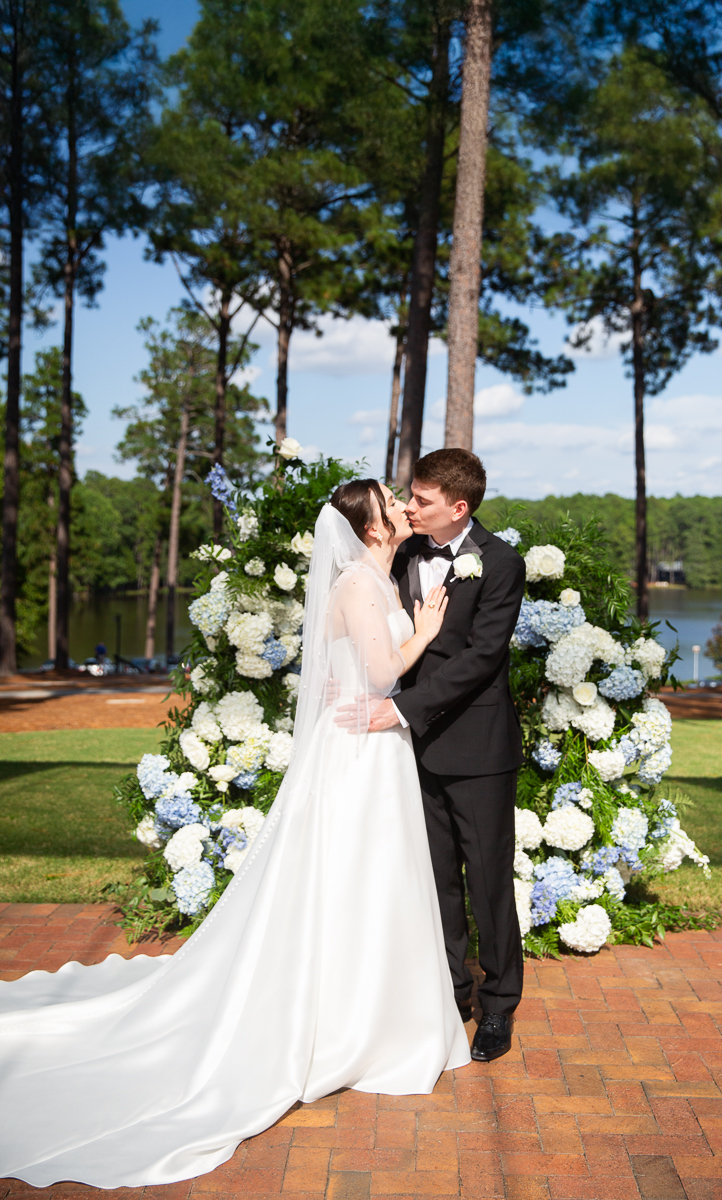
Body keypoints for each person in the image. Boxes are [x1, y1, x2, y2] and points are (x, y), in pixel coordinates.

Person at [0, 481, 470, 1190]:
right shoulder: (354, 585)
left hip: (375, 747)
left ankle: (379, 1013)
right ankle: (349, 1023)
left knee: (377, 882)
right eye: (389, 499)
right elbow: (377, 673)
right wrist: (426, 633)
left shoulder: (379, 575)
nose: (403, 504)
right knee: (356, 879)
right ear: (371, 526)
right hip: (359, 752)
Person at [337, 450, 526, 1063]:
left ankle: (499, 1007)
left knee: (489, 881)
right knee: (437, 879)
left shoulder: (500, 564)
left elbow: (482, 658)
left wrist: (400, 711)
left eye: (420, 499)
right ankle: (452, 991)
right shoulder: (406, 552)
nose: (409, 506)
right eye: (408, 498)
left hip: (478, 747)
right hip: (412, 750)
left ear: (458, 507)